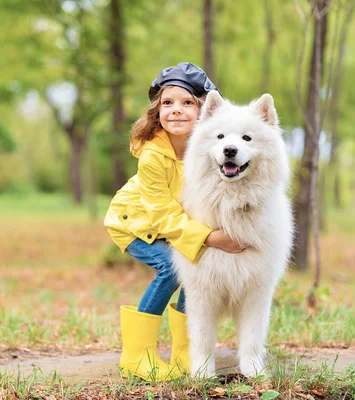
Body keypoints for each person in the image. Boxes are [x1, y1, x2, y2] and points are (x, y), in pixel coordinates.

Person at [103, 62, 248, 381]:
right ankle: (137, 355)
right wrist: (211, 239)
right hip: (135, 223)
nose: (176, 110)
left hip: (176, 223)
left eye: (187, 103)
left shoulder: (210, 149)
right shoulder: (153, 155)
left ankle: (186, 352)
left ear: (205, 112)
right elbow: (162, 214)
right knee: (173, 267)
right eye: (167, 103)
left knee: (193, 268)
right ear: (157, 111)